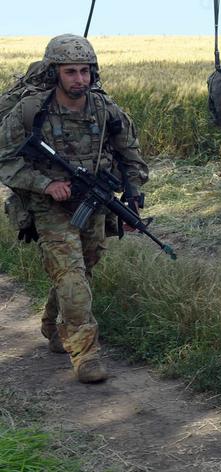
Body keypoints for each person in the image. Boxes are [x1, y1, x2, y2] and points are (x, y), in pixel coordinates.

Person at [0, 34, 148, 383]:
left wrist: (133, 195)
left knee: (85, 267)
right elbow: (5, 158)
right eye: (70, 72)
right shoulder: (31, 111)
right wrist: (45, 185)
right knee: (70, 276)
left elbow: (131, 154)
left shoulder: (105, 109)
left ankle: (53, 323)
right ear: (55, 73)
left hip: (93, 203)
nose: (79, 79)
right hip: (49, 207)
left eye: (85, 71)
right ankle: (86, 355)